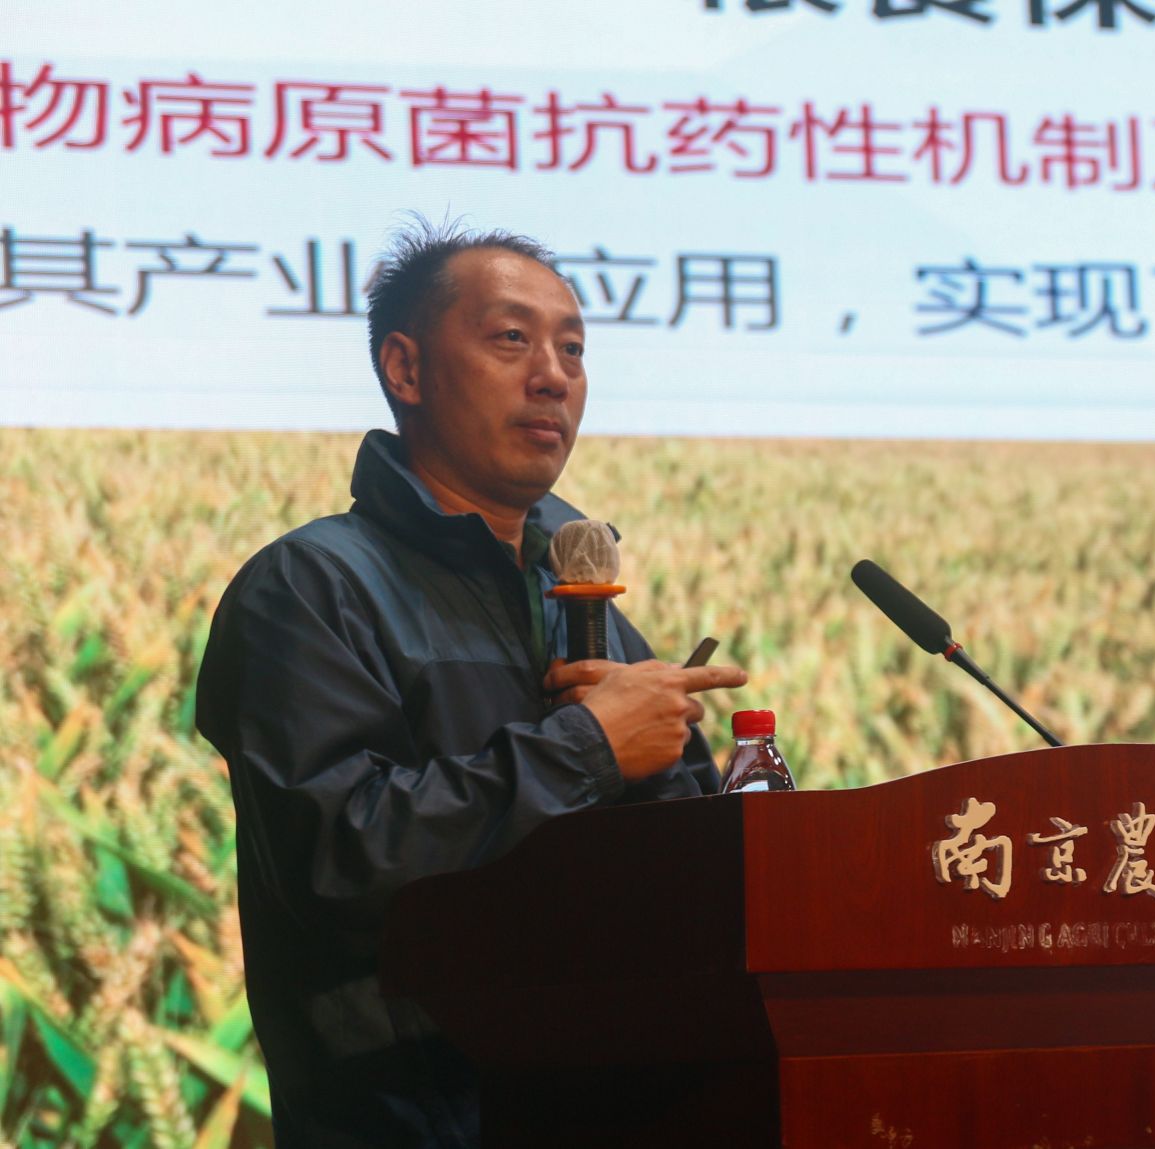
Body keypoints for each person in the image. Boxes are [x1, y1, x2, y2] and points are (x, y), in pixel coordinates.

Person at [195, 220, 748, 1148]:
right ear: (405, 369)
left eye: (573, 349)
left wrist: (676, 776)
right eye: (512, 338)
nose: (553, 376)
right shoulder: (310, 587)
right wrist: (587, 748)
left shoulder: (582, 598)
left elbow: (676, 880)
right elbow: (340, 854)